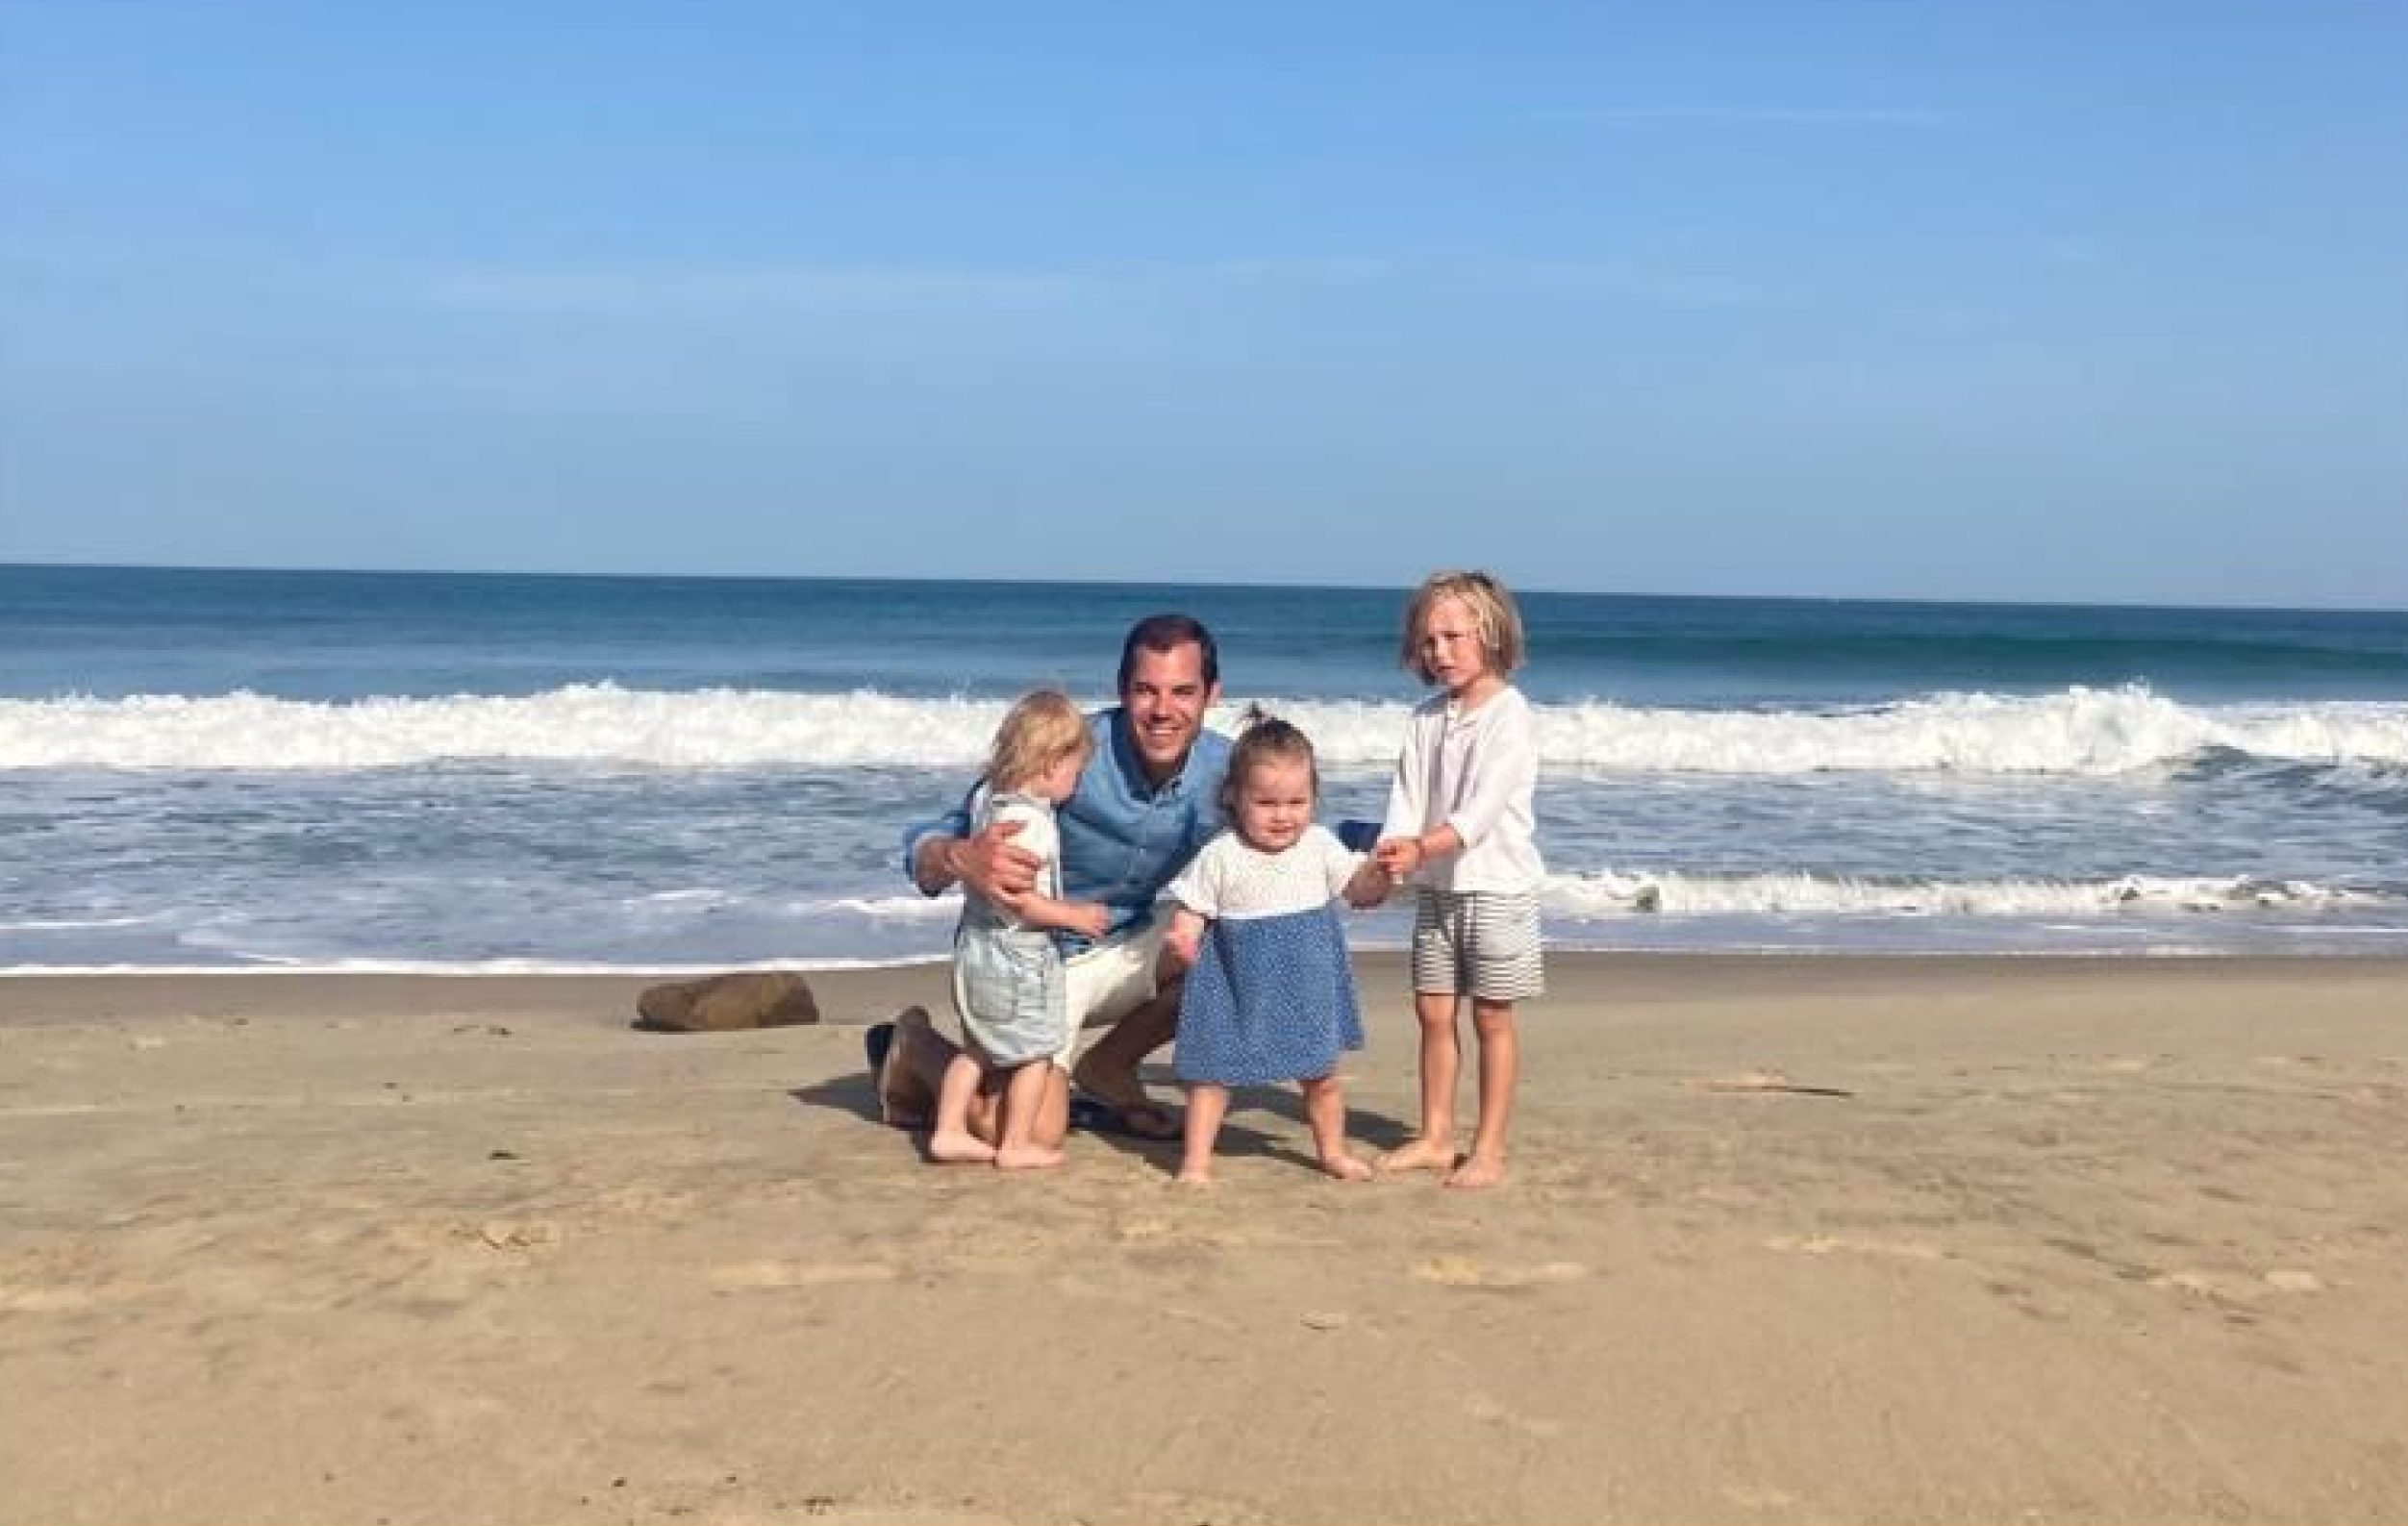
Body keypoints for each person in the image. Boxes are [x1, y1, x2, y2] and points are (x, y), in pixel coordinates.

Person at [868, 614, 1233, 1149]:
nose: (1162, 711)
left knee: (1229, 943)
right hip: (1038, 963)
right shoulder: (1066, 750)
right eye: (1145, 691)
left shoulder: (1224, 771)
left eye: (1183, 692)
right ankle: (915, 1047)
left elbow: (1284, 842)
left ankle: (1108, 1068)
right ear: (1121, 691)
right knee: (1023, 1134)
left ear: (1211, 695)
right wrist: (959, 856)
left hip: (1127, 940)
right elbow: (933, 837)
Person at [1162, 713, 1392, 1185]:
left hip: (1305, 983)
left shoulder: (1319, 846)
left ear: (1314, 799)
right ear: (1234, 797)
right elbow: (1192, 908)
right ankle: (1196, 1163)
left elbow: (1359, 890)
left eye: (1296, 802)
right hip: (1234, 983)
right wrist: (1183, 939)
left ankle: (1332, 1152)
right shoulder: (1222, 854)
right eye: (1266, 802)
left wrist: (1381, 872)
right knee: (1210, 1078)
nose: (1283, 815)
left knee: (1322, 1077)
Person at [1372, 571, 1545, 1189]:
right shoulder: (1425, 719)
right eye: (1428, 642)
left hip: (1497, 887)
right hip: (1439, 888)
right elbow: (1407, 799)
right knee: (1433, 1011)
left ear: (1491, 634)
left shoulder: (1510, 715)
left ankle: (1490, 1145)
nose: (1439, 652)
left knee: (1492, 1016)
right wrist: (1387, 860)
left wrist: (1421, 847)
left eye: (1452, 637)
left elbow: (1479, 813)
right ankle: (1436, 1133)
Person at [928, 690, 1110, 1170]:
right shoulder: (1027, 823)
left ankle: (947, 1130)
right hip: (1017, 954)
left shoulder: (989, 799)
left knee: (979, 1045)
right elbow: (1020, 899)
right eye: (1076, 770)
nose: (1077, 781)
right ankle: (1016, 1143)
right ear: (1050, 765)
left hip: (977, 945)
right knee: (1036, 1051)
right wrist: (1073, 915)